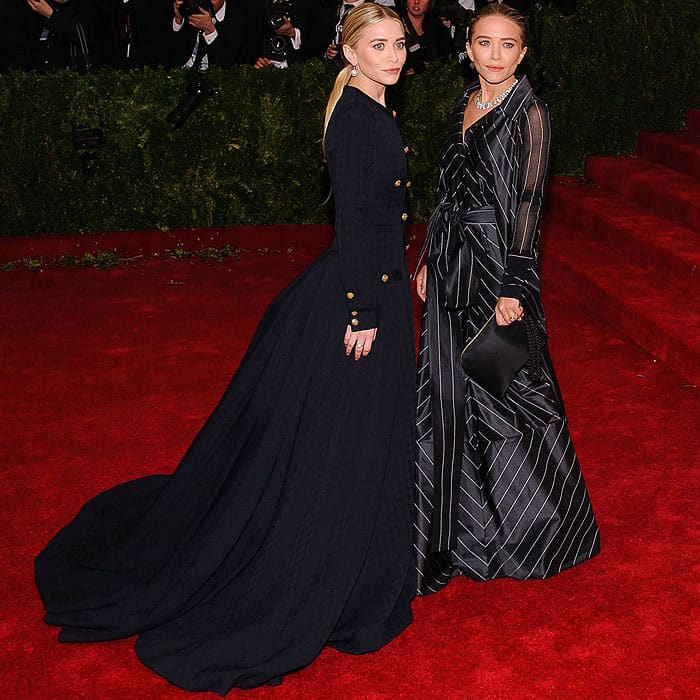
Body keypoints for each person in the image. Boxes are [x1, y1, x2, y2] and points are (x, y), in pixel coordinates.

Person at [35, 3, 416, 694]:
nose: (393, 55)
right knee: (343, 442)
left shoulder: (368, 108)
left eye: (399, 45)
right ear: (348, 52)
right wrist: (363, 314)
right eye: (378, 45)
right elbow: (358, 226)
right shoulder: (359, 117)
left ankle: (360, 563)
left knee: (350, 439)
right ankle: (328, 572)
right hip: (362, 302)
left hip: (379, 289)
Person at [413, 2, 599, 592]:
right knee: (448, 393)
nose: (494, 55)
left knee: (510, 391)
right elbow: (446, 190)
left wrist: (515, 285)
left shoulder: (531, 112)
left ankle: (539, 532)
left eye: (508, 45)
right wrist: (424, 257)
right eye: (484, 43)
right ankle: (464, 535)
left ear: (523, 53)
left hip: (496, 266)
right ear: (467, 47)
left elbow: (528, 201)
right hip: (449, 261)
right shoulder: (460, 105)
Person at [398, 0, 451, 75]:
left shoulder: (437, 26)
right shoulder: (394, 23)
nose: (416, 1)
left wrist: (424, 67)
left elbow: (445, 59)